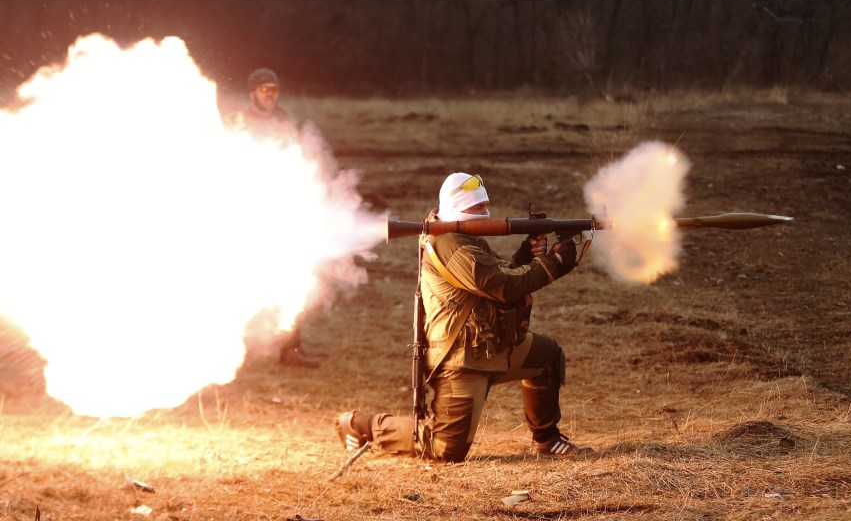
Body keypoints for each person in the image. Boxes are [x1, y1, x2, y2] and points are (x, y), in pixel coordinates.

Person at [334, 172, 592, 460]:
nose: (485, 214)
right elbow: (504, 288)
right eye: (476, 209)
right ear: (456, 209)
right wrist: (554, 262)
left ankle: (546, 439)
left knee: (547, 357)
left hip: (490, 345)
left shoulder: (462, 237)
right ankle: (360, 425)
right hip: (462, 358)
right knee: (444, 450)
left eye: (485, 206)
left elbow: (492, 278)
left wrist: (523, 257)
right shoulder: (450, 244)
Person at [231, 68, 319, 369]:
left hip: (282, 208)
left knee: (290, 276)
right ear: (252, 92)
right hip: (249, 211)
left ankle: (291, 349)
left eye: (275, 90)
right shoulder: (239, 123)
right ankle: (232, 345)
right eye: (265, 90)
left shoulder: (283, 120)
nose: (270, 95)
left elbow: (298, 155)